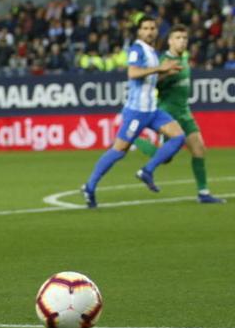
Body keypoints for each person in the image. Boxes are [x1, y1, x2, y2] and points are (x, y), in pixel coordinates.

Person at [81, 16, 186, 208]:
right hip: (137, 113)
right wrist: (159, 68)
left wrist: (164, 74)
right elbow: (133, 73)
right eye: (145, 28)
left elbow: (149, 78)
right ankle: (89, 186)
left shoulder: (152, 51)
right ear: (139, 32)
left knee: (178, 136)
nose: (149, 31)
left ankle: (147, 171)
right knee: (119, 151)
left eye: (152, 28)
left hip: (152, 111)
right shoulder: (136, 49)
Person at [131, 25, 225, 204]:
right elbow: (150, 83)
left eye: (184, 38)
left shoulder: (185, 58)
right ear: (170, 41)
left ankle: (203, 193)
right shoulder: (163, 61)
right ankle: (134, 140)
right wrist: (164, 74)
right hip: (168, 113)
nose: (182, 41)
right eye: (178, 38)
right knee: (166, 158)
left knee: (199, 149)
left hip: (185, 112)